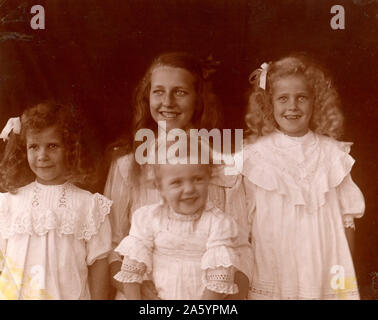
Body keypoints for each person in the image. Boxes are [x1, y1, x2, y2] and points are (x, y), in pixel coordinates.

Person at [104, 52, 251, 299]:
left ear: (198, 100)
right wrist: (142, 293)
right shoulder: (127, 165)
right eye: (158, 91)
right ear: (147, 97)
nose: (168, 102)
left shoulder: (224, 165)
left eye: (180, 92)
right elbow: (111, 246)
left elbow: (242, 248)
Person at [242, 54, 365, 299]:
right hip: (274, 266)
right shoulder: (254, 156)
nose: (292, 107)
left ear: (315, 102)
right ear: (269, 103)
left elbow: (346, 222)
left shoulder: (333, 154)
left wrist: (342, 283)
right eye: (283, 99)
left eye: (302, 98)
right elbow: (243, 226)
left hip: (325, 268)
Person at [0, 102, 112, 299]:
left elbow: (99, 267)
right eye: (34, 147)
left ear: (69, 149)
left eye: (52, 146)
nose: (42, 156)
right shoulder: (9, 203)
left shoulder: (89, 205)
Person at [114, 152, 243, 300]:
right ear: (160, 187)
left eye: (198, 179)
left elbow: (217, 280)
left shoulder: (218, 223)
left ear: (209, 180)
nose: (189, 189)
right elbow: (132, 272)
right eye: (176, 182)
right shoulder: (149, 219)